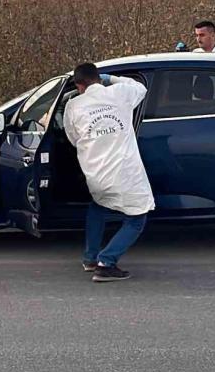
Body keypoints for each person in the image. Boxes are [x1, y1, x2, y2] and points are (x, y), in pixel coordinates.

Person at [63, 63, 154, 282]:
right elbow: (140, 87)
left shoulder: (73, 106)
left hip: (95, 174)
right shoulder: (118, 93)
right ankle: (106, 263)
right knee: (137, 218)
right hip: (124, 173)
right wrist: (111, 78)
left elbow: (73, 138)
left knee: (98, 206)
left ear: (79, 85)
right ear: (98, 78)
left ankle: (90, 258)